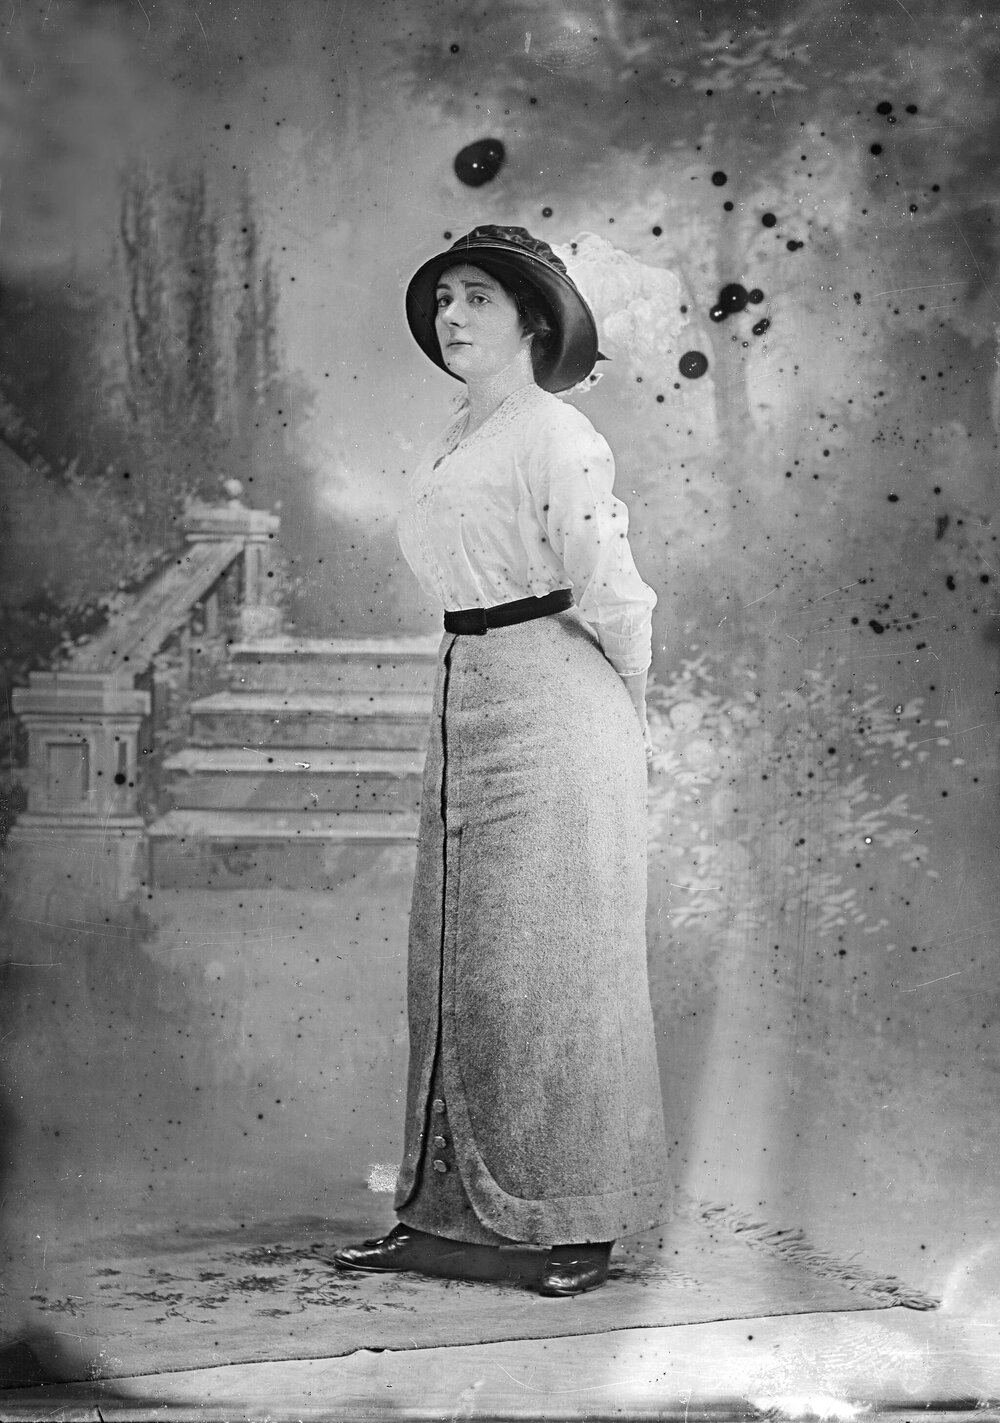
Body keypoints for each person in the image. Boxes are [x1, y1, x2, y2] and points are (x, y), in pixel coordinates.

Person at [332, 225, 668, 1297]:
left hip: (555, 702)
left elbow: (607, 586)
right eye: (442, 302)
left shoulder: (558, 435)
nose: (454, 317)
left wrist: (626, 707)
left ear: (532, 317)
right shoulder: (458, 434)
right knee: (454, 962)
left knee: (551, 969)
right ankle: (441, 1214)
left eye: (477, 297)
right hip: (463, 690)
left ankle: (577, 1221)